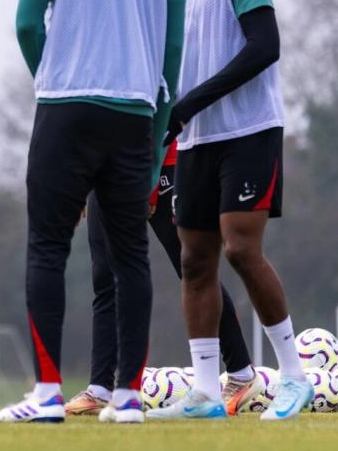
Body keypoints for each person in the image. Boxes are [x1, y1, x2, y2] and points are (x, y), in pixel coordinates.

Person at [1, 0, 184, 424]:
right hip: (136, 114)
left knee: (48, 247)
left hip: (69, 108)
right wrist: (159, 134)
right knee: (132, 255)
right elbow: (172, 51)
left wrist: (48, 77)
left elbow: (28, 22)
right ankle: (128, 398)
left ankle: (48, 393)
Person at [145, 0, 312, 421]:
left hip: (249, 131)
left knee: (241, 249)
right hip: (193, 141)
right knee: (195, 261)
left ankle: (293, 377)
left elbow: (265, 45)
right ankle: (206, 393)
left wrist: (192, 101)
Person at [68, 140, 262, 417]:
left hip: (163, 169)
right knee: (105, 280)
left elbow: (160, 112)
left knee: (195, 272)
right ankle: (100, 389)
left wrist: (150, 182)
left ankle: (241, 373)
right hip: (107, 173)